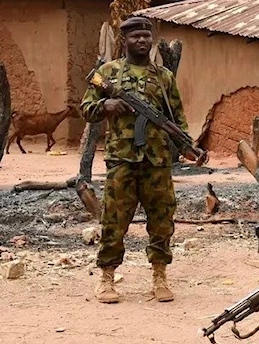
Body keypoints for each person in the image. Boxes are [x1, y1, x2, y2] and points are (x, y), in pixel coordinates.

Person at [81, 17, 191, 304]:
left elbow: (177, 117)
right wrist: (107, 104)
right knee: (114, 221)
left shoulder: (164, 76)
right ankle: (106, 277)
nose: (141, 41)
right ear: (124, 41)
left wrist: (186, 145)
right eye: (135, 37)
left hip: (157, 162)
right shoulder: (108, 73)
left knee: (162, 219)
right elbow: (86, 107)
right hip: (122, 160)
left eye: (146, 36)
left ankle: (159, 275)